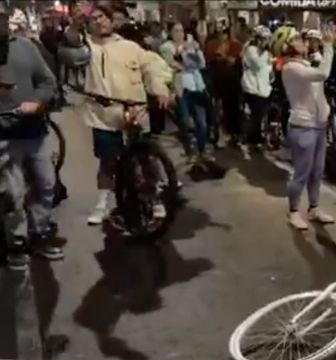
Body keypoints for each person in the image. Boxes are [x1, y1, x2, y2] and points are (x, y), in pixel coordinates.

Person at [0, 14, 62, 269]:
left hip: (34, 131)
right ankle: (16, 241)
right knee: (12, 194)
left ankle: (39, 233)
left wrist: (37, 102)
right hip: (0, 134)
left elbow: (48, 82)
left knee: (47, 184)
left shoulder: (26, 47)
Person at [83, 3, 171, 225]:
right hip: (103, 114)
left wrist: (160, 89)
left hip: (135, 110)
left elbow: (154, 67)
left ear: (111, 20)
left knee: (144, 157)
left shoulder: (130, 47)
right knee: (107, 161)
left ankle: (153, 197)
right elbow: (70, 45)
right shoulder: (87, 47)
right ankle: (103, 202)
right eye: (94, 18)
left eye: (102, 17)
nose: (99, 21)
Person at [282, 28, 336, 231]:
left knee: (317, 171)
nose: (302, 40)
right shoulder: (291, 68)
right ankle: (294, 211)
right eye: (297, 39)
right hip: (303, 127)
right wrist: (329, 45)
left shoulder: (305, 64)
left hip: (319, 125)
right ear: (287, 47)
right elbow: (323, 73)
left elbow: (321, 67)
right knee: (302, 173)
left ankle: (314, 208)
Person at [161, 22, 210, 161]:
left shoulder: (192, 45)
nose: (179, 34)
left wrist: (195, 51)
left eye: (181, 31)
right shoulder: (166, 47)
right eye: (176, 31)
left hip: (197, 87)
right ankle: (189, 150)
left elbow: (201, 64)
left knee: (202, 122)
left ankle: (202, 150)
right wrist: (185, 52)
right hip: (181, 89)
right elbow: (172, 64)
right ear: (170, 33)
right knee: (185, 122)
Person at [205, 24, 243, 147]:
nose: (223, 35)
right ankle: (221, 134)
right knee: (218, 110)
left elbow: (236, 60)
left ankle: (235, 134)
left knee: (233, 109)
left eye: (225, 32)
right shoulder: (211, 44)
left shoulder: (236, 45)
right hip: (217, 82)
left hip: (233, 82)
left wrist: (227, 58)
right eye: (220, 32)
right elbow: (209, 59)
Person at [241, 25, 272, 151]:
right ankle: (253, 139)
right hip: (253, 87)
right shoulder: (251, 49)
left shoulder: (263, 51)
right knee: (256, 115)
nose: (266, 41)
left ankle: (256, 137)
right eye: (264, 39)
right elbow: (258, 64)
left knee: (260, 115)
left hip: (263, 86)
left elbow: (267, 66)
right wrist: (265, 53)